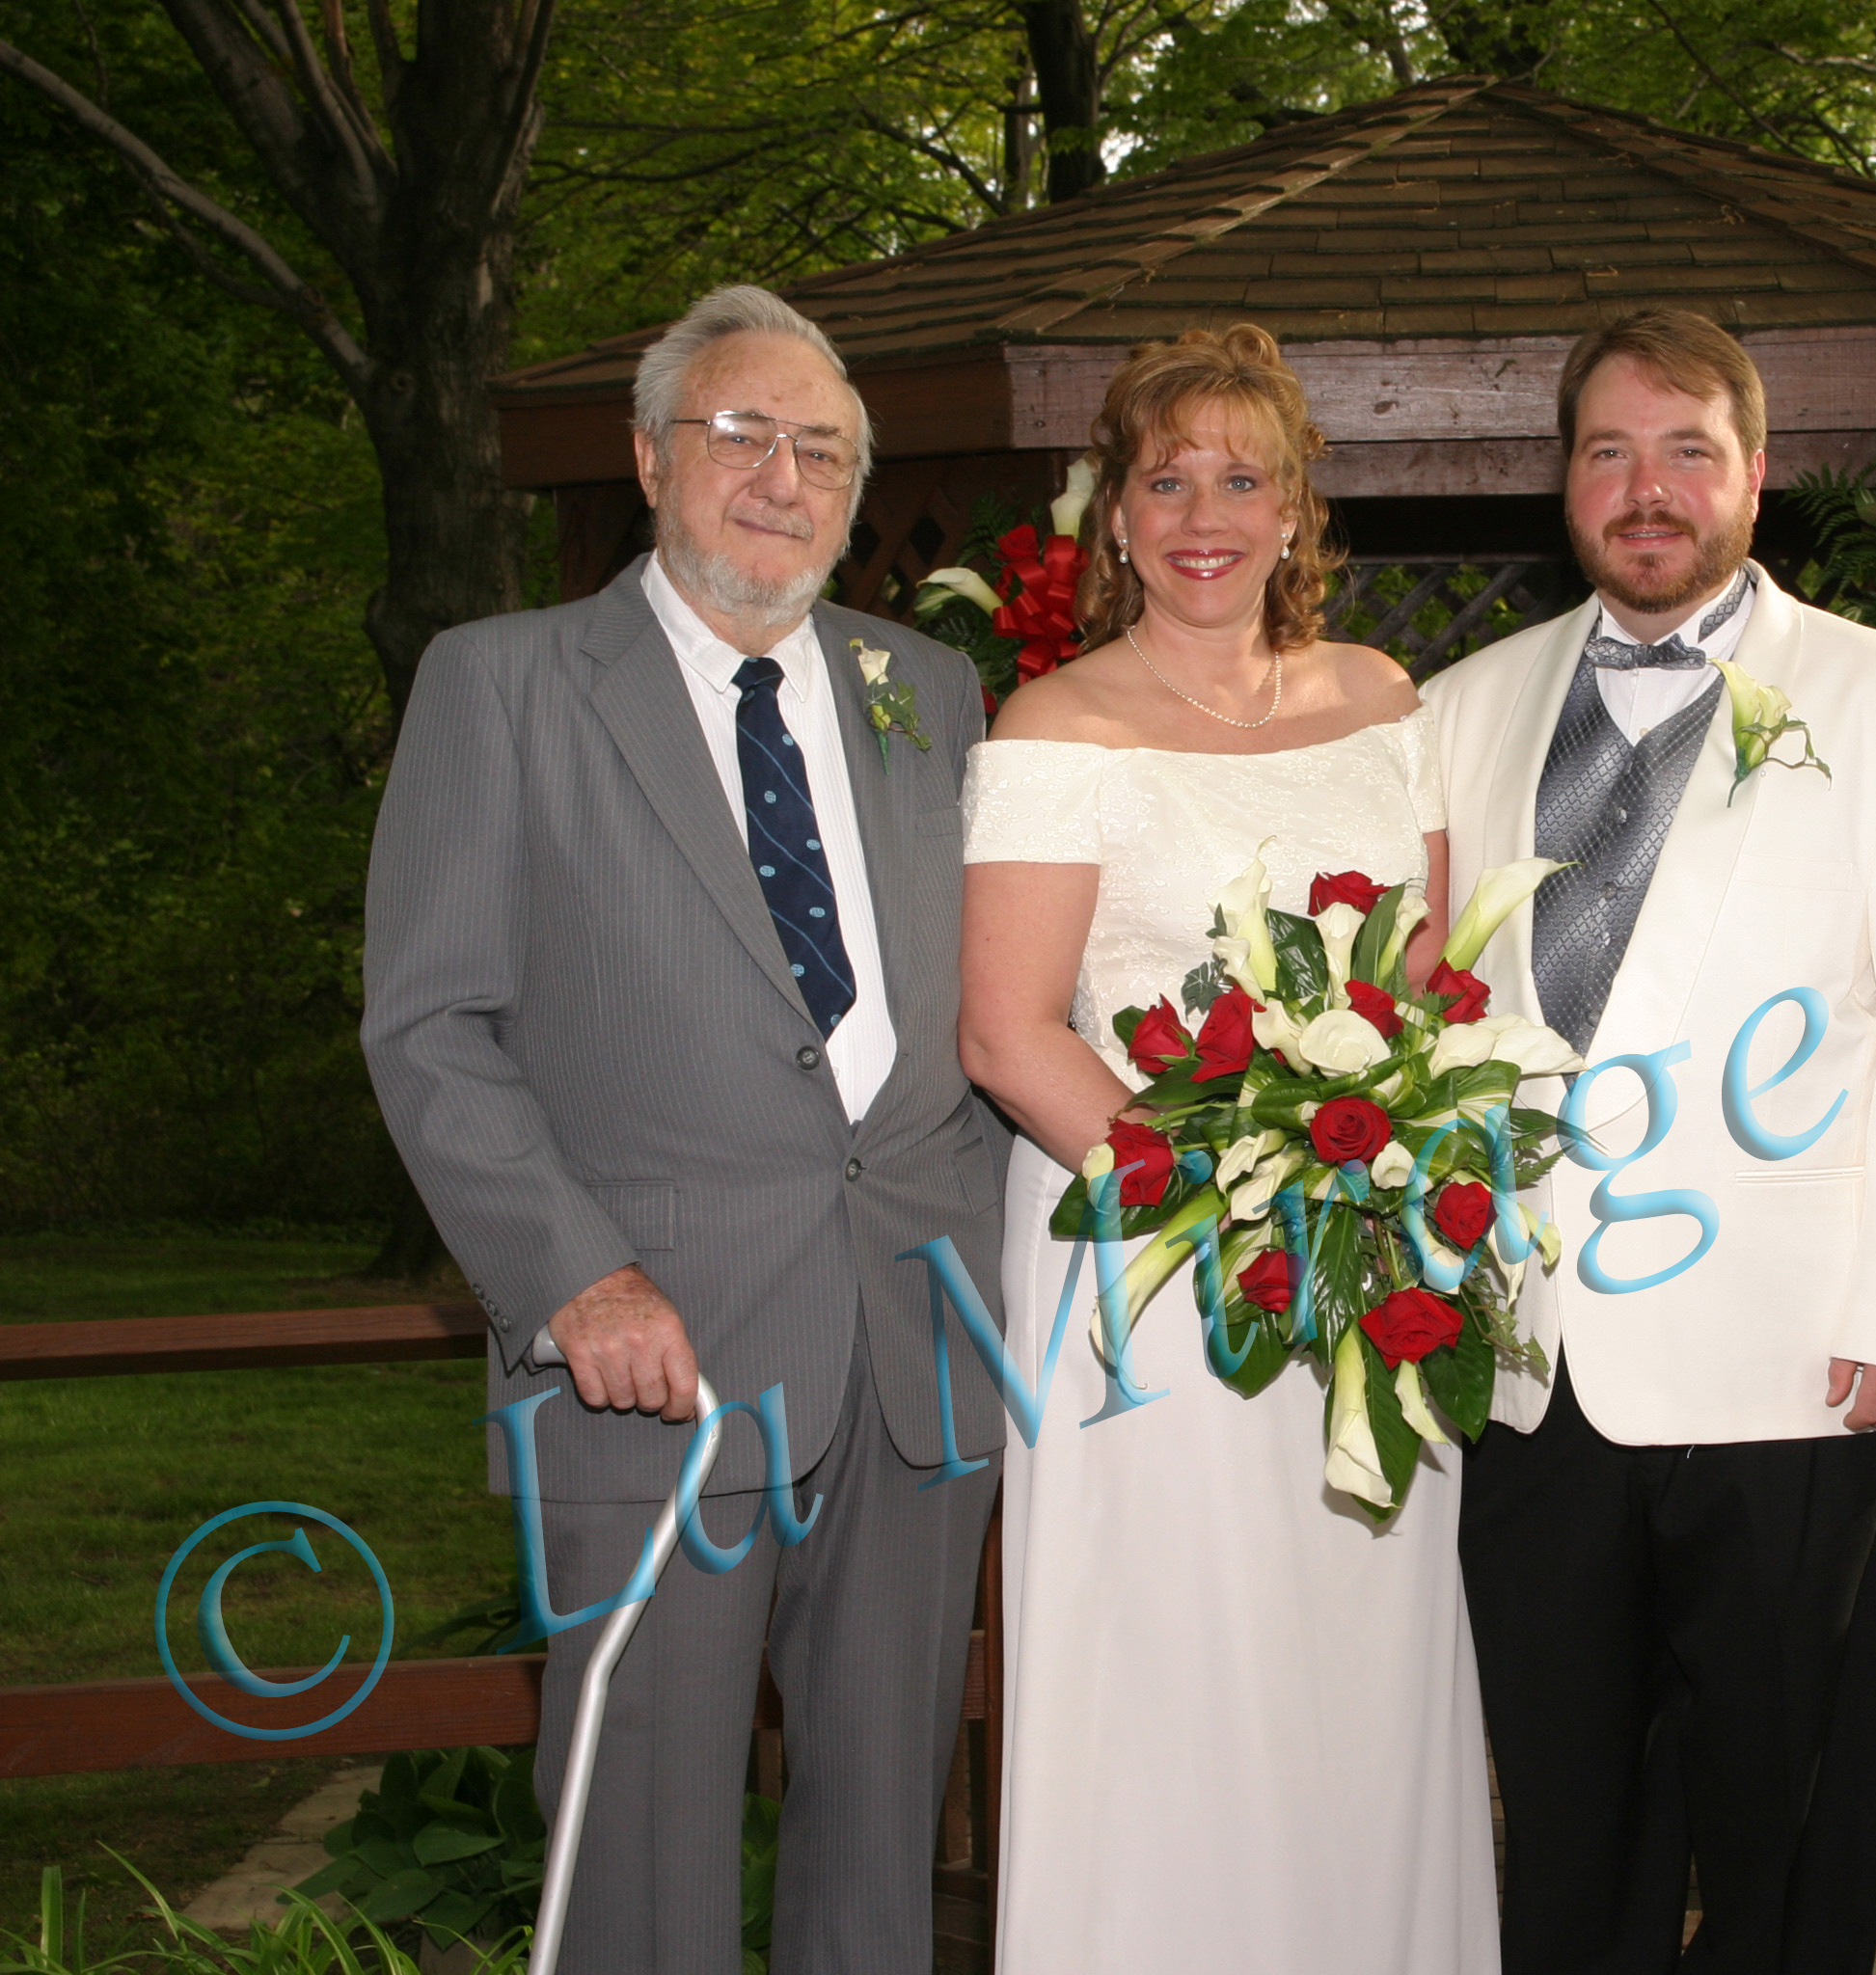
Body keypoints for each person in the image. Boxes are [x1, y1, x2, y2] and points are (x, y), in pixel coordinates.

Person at [362, 284, 1009, 1975]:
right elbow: (429, 1027)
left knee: (884, 1851)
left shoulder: (928, 688)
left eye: (824, 450)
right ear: (650, 457)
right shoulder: (503, 683)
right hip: (649, 1359)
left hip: (919, 1353)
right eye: (742, 433)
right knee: (641, 1854)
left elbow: (998, 1000)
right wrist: (573, 1279)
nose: (783, 477)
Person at [1423, 307, 1876, 1974]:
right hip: (1532, 1366)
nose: (1646, 488)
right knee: (1567, 1811)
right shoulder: (1463, 706)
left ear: (1756, 477)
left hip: (1796, 1365)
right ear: (1565, 481)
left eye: (1687, 451)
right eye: (1608, 452)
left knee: (1785, 1820)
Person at [957, 324, 1497, 1974]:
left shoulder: (1378, 698)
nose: (1206, 515)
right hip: (1149, 1255)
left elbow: (1423, 975)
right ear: (1115, 518)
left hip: (1367, 1254)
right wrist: (1240, 1200)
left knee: (1361, 1652)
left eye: (1242, 479)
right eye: (1167, 480)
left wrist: (1377, 1178)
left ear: (1295, 510)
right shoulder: (1054, 726)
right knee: (1176, 1669)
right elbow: (1010, 1035)